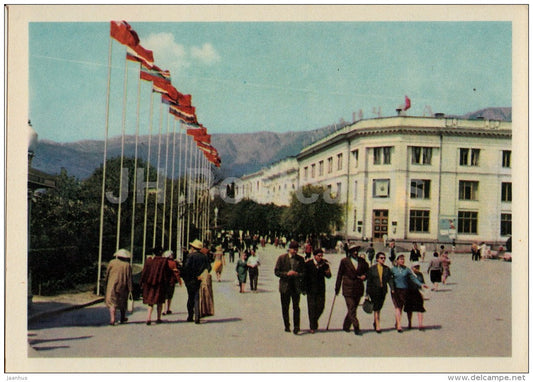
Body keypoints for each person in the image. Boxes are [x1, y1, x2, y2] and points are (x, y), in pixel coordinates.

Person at [334, 244, 369, 335]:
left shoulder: (362, 261)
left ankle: (346, 325)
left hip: (358, 288)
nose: (356, 252)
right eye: (353, 251)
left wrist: (365, 276)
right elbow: (339, 275)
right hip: (348, 288)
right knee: (351, 307)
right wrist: (337, 288)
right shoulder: (344, 261)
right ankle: (356, 326)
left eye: (357, 250)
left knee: (353, 308)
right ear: (350, 252)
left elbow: (367, 271)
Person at [390, 254, 429, 332]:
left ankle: (399, 322)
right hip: (396, 290)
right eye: (401, 259)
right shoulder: (393, 269)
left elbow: (413, 278)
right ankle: (399, 325)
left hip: (405, 290)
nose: (402, 261)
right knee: (398, 307)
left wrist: (421, 284)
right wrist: (391, 288)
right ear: (397, 260)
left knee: (403, 307)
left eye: (403, 259)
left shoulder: (407, 269)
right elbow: (389, 279)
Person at [274, 240, 306, 334]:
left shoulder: (300, 259)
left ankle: (296, 326)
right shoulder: (282, 258)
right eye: (293, 249)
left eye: (296, 249)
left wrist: (297, 274)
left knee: (296, 307)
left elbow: (304, 273)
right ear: (289, 249)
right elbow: (276, 271)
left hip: (296, 287)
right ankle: (287, 325)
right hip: (285, 286)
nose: (295, 251)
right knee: (285, 307)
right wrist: (286, 274)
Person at [140, 246, 172, 325]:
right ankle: (158, 318)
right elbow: (167, 273)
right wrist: (168, 282)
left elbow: (144, 272)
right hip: (160, 284)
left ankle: (148, 317)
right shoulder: (164, 261)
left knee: (150, 302)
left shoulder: (149, 261)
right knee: (160, 301)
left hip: (149, 283)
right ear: (161, 253)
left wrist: (142, 282)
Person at [182, 239, 211, 324]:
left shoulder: (190, 256)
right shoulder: (204, 256)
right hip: (200, 279)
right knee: (197, 296)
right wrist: (203, 274)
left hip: (190, 280)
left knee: (190, 296)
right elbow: (209, 267)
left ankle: (190, 315)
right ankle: (197, 315)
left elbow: (186, 267)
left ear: (193, 248)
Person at [303, 248, 332, 333]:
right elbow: (304, 277)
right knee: (311, 308)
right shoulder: (308, 264)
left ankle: (314, 321)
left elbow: (329, 276)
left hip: (321, 289)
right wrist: (304, 288)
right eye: (319, 256)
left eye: (321, 256)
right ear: (314, 256)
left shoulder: (324, 264)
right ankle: (312, 326)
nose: (320, 257)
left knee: (321, 307)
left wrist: (328, 272)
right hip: (310, 289)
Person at [365, 251, 393, 333]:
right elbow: (369, 282)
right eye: (381, 258)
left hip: (383, 291)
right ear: (377, 259)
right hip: (374, 291)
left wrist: (392, 288)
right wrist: (367, 293)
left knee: (379, 307)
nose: (383, 259)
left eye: (384, 258)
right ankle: (378, 325)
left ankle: (375, 321)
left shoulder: (387, 269)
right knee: (376, 308)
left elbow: (389, 279)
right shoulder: (372, 269)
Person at [104, 249, 133, 326]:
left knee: (112, 302)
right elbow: (129, 278)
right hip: (123, 285)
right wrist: (130, 288)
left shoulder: (112, 262)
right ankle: (122, 318)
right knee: (123, 302)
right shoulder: (127, 265)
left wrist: (105, 282)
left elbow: (107, 273)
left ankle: (112, 319)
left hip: (112, 284)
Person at [404, 262, 427, 331]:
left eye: (418, 267)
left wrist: (423, 292)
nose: (417, 268)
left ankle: (420, 324)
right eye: (415, 267)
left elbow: (422, 283)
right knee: (409, 309)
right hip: (409, 292)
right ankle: (409, 323)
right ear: (412, 268)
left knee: (420, 308)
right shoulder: (408, 274)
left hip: (417, 292)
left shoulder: (420, 274)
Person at [162, 250, 181, 316]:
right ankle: (168, 309)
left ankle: (163, 310)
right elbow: (176, 273)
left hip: (164, 281)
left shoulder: (163, 262)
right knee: (170, 296)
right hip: (171, 281)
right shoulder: (173, 263)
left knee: (164, 296)